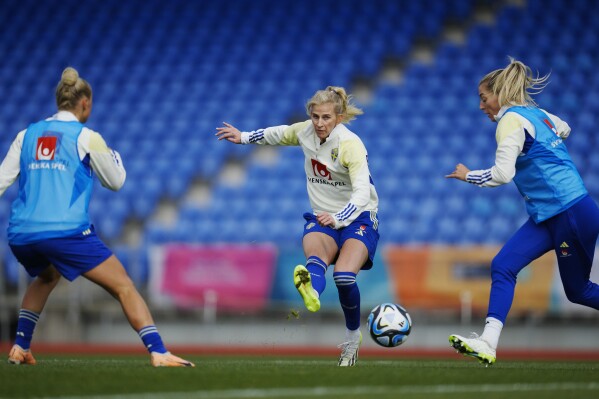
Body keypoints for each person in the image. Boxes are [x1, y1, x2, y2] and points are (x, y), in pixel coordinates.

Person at [0, 67, 194, 367]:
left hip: (20, 232)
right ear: (85, 103)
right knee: (124, 285)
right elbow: (116, 182)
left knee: (46, 275)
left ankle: (20, 347)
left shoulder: (26, 135)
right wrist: (114, 156)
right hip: (64, 232)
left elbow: (1, 181)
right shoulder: (88, 137)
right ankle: (158, 351)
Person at [445, 58, 599, 365]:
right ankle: (488, 342)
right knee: (503, 265)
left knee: (578, 291)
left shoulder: (510, 121)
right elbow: (563, 128)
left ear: (499, 94)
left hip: (570, 212)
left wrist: (468, 175)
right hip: (550, 214)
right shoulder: (536, 114)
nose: (480, 105)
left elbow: (503, 174)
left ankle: (489, 341)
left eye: (483, 97)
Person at [216, 86, 379, 366]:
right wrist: (242, 137)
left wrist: (339, 218)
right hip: (322, 216)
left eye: (326, 117)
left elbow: (362, 193)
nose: (319, 123)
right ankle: (312, 292)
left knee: (343, 277)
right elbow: (277, 134)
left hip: (358, 218)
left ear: (338, 118)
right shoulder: (305, 131)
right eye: (315, 116)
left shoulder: (350, 144)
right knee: (315, 259)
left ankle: (352, 340)